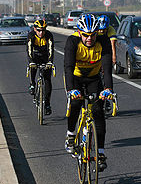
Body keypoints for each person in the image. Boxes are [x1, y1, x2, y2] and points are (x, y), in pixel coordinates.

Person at [64, 13, 113, 172]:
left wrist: (108, 89)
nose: (89, 38)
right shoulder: (72, 41)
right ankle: (71, 135)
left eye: (92, 34)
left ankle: (100, 153)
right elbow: (68, 68)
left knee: (98, 112)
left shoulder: (103, 41)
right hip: (76, 78)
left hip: (93, 78)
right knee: (76, 103)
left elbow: (106, 68)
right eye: (85, 35)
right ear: (79, 32)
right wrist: (71, 89)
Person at [27, 19, 54, 115]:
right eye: (38, 30)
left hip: (46, 58)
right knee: (33, 67)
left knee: (47, 80)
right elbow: (29, 50)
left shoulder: (49, 35)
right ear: (34, 29)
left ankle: (47, 104)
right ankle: (32, 84)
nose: (41, 33)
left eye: (43, 30)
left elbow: (51, 49)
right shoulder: (31, 35)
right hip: (35, 57)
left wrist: (50, 62)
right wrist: (31, 62)